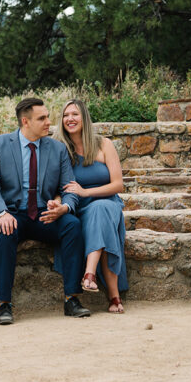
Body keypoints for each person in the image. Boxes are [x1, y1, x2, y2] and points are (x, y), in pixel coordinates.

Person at [0, 97, 89, 325]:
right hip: (9, 212)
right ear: (25, 122)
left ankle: (72, 299)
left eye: (48, 116)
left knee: (72, 225)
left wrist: (64, 207)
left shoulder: (58, 149)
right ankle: (3, 305)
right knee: (5, 231)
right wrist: (1, 212)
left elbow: (69, 187)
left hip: (44, 214)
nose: (49, 122)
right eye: (42, 118)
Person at [53, 99, 128, 313]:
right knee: (99, 216)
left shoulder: (104, 144)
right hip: (79, 207)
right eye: (66, 115)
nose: (70, 119)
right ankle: (114, 297)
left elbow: (118, 184)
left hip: (109, 203)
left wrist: (87, 191)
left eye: (75, 114)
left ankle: (89, 274)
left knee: (101, 209)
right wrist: (58, 203)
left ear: (84, 117)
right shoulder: (59, 149)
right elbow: (56, 187)